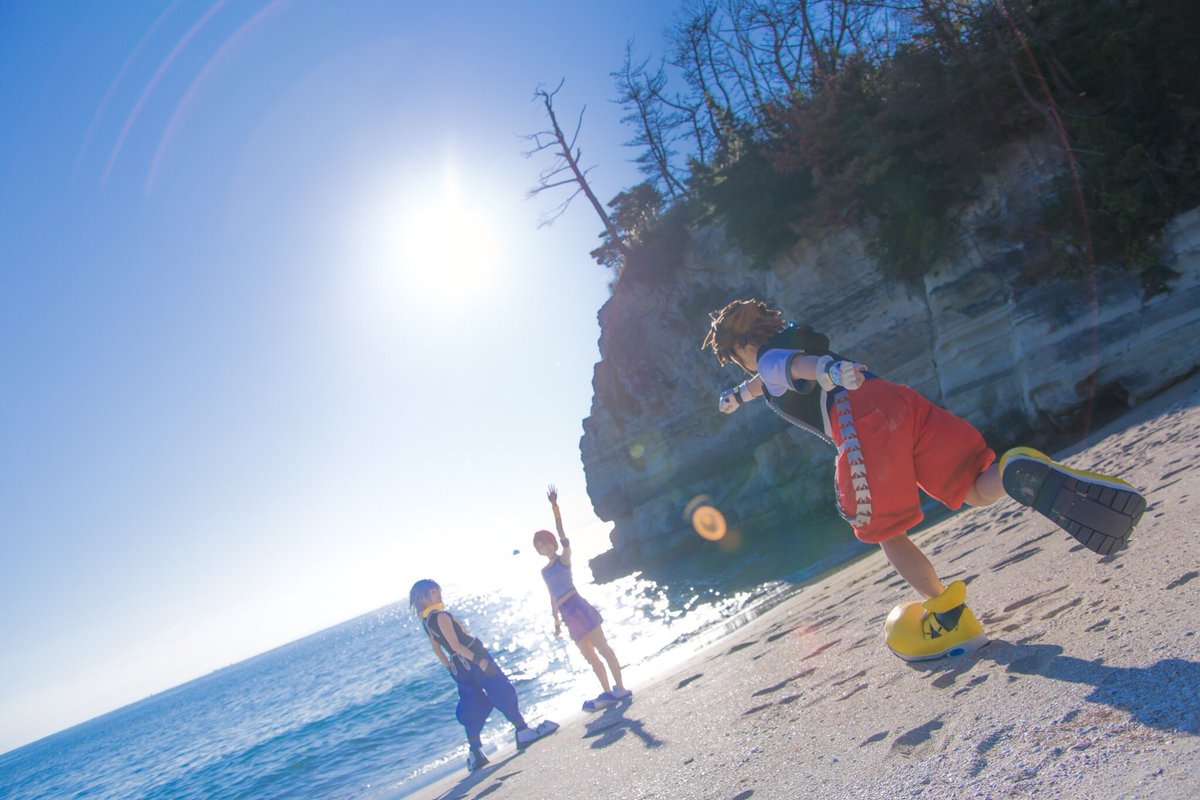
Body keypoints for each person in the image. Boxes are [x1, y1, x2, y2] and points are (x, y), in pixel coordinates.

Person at [702, 298, 1146, 661]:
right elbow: (768, 380)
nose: (743, 369)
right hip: (897, 401)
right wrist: (736, 397)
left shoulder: (772, 358)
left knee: (884, 530)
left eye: (736, 361)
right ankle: (1015, 470)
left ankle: (950, 617)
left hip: (856, 415)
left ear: (742, 346)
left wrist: (829, 373)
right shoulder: (776, 356)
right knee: (974, 487)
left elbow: (797, 367)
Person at [409, 579, 558, 772]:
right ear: (423, 598)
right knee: (501, 689)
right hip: (473, 659)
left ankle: (476, 751)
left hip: (459, 666)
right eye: (433, 592)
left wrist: (451, 669)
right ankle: (523, 731)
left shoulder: (427, 621)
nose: (439, 594)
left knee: (474, 703)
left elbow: (438, 649)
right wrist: (479, 661)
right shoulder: (441, 616)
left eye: (438, 590)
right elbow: (456, 645)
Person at [534, 486, 631, 710]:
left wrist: (555, 507)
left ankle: (620, 687)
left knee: (603, 649)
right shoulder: (544, 571)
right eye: (539, 545)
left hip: (578, 606)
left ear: (552, 543)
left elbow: (563, 535)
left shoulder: (564, 559)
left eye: (546, 542)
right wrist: (556, 621)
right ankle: (607, 692)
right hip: (567, 614)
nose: (544, 547)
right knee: (590, 657)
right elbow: (551, 597)